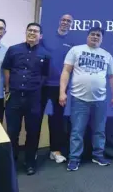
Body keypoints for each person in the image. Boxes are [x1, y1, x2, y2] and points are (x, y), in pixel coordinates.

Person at [60, 27, 113, 171]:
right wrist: (62, 92)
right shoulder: (76, 50)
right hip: (79, 99)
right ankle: (74, 159)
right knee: (77, 130)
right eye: (92, 34)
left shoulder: (107, 55)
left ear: (102, 38)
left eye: (98, 35)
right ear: (87, 36)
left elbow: (112, 78)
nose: (95, 37)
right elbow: (66, 71)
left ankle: (98, 155)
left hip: (100, 100)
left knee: (99, 130)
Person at [2, 23, 51, 175]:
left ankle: (30, 162)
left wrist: (34, 88)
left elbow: (44, 75)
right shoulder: (13, 49)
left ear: (40, 36)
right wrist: (8, 89)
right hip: (15, 97)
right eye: (30, 30)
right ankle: (12, 162)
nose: (32, 33)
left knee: (33, 132)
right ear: (25, 32)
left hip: (34, 99)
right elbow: (7, 70)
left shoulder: (45, 54)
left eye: (36, 31)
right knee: (12, 131)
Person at [40, 14, 76, 163]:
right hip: (41, 85)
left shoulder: (73, 43)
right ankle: (32, 151)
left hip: (60, 87)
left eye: (68, 21)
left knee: (57, 120)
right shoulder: (45, 38)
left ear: (71, 24)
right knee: (35, 118)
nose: (65, 23)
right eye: (63, 20)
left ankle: (55, 150)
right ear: (59, 22)